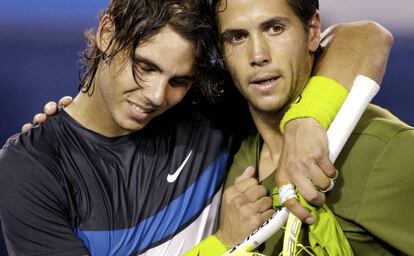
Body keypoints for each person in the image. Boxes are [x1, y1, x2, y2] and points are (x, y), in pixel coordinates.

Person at [0, 1, 395, 256]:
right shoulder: (28, 169)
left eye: (178, 80)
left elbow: (367, 37)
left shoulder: (204, 106)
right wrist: (221, 243)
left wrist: (305, 122)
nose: (156, 96)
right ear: (106, 34)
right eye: (146, 66)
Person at [188, 0, 413, 255]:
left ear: (313, 32)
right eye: (238, 37)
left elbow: (367, 35)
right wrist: (223, 243)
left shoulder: (382, 149)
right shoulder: (231, 157)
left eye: (274, 29)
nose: (258, 55)